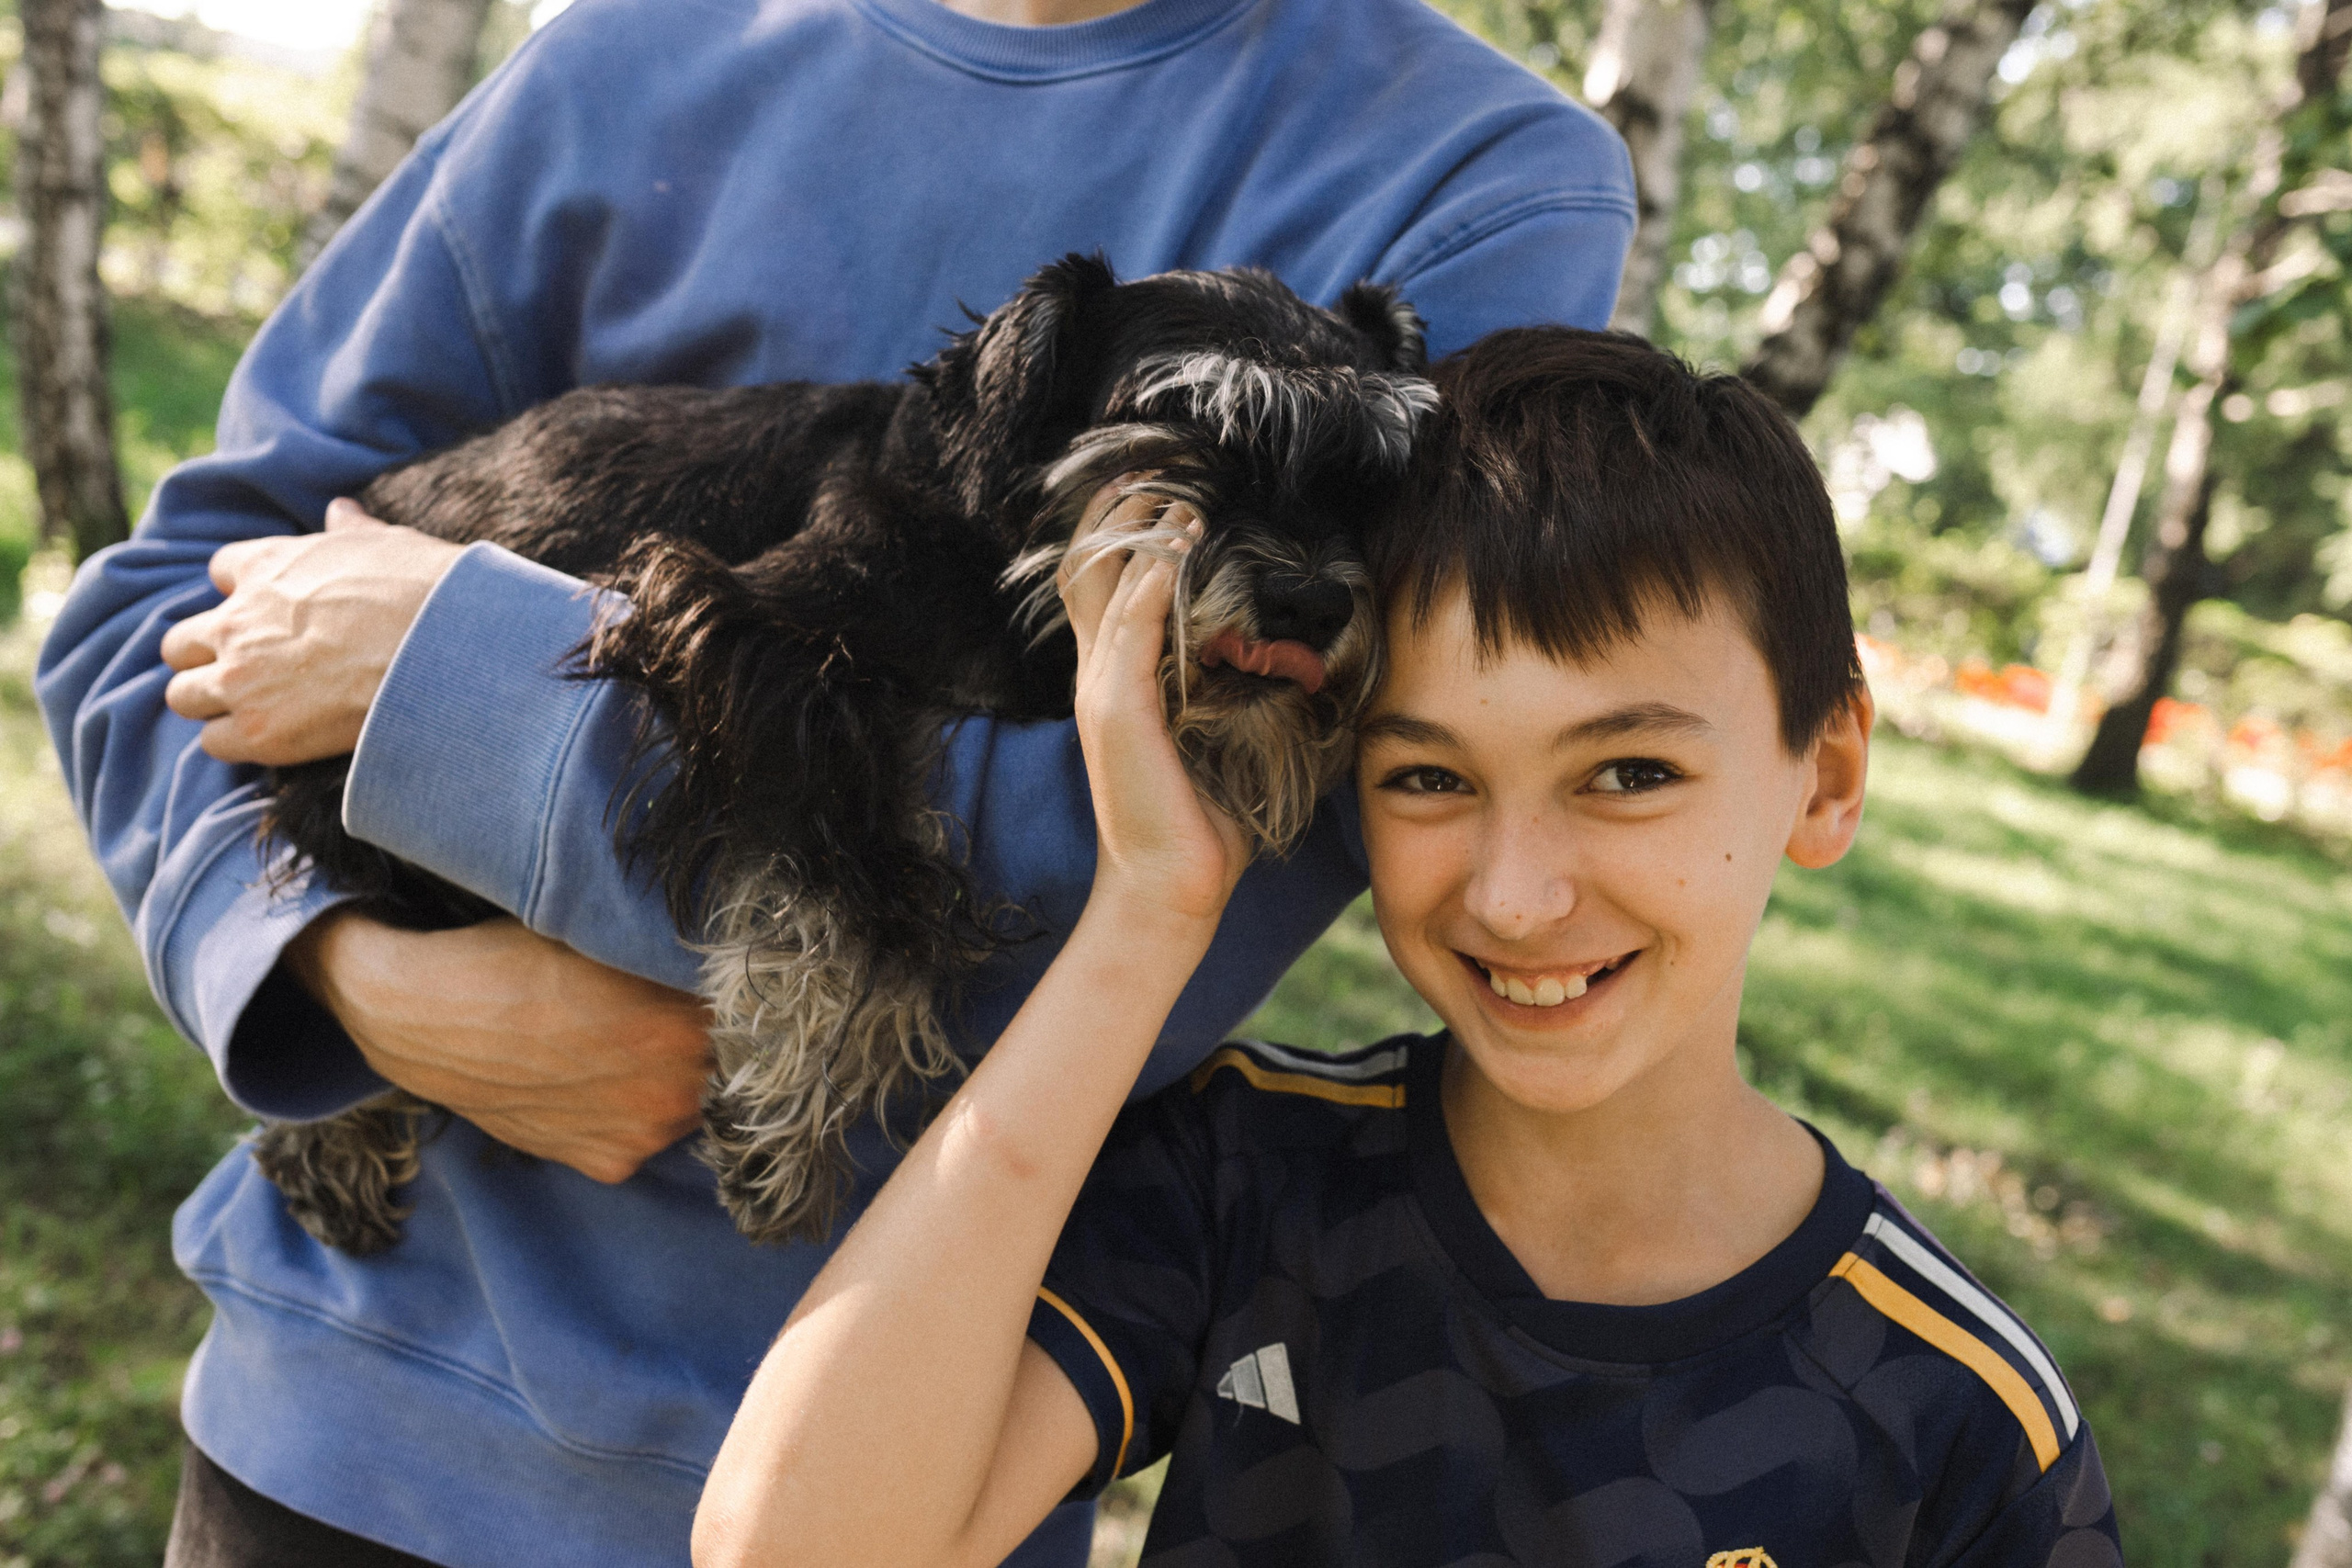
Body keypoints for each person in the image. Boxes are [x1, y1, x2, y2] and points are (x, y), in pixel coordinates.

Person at [33, 0, 1636, 1561]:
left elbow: (1171, 879)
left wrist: (442, 684)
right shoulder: (625, 49)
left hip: (884, 1486)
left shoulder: (1477, 177)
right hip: (337, 1425)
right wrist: (341, 976)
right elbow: (168, 605)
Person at [693, 328, 2125, 1568]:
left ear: (1824, 775)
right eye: (1427, 777)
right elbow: (794, 1543)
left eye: (1627, 773)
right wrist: (1149, 912)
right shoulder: (1245, 1186)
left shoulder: (1957, 1414)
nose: (1514, 898)